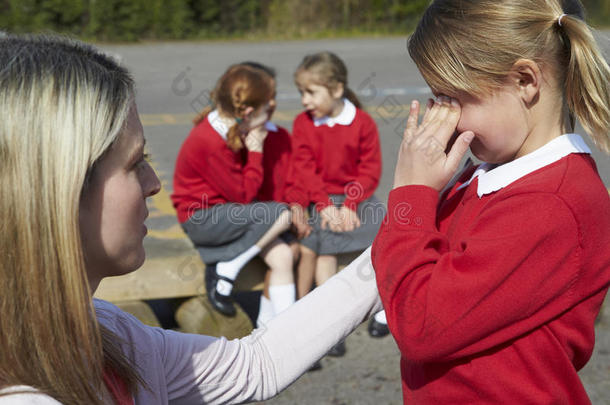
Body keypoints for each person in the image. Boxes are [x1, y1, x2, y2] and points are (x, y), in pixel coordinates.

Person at [0, 34, 383, 404]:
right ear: (57, 190)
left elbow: (257, 363)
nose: (154, 184)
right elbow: (243, 195)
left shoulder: (112, 334)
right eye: (136, 164)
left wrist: (398, 240)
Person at [371, 0, 610, 403]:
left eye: (452, 98)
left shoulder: (550, 204)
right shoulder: (484, 175)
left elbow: (420, 325)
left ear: (525, 81)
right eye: (436, 98)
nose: (442, 116)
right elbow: (403, 263)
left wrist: (411, 192)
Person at [171, 64, 297, 319]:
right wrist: (256, 150)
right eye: (267, 105)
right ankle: (229, 264)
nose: (272, 107)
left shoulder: (228, 126)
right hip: (203, 219)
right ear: (248, 112)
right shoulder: (211, 140)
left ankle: (282, 332)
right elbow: (243, 196)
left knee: (282, 256)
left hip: (225, 216)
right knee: (282, 214)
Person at [291, 51, 389, 353]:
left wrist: (350, 204)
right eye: (301, 92)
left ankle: (386, 308)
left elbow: (370, 168)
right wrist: (325, 207)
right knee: (326, 248)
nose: (305, 100)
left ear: (335, 90)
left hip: (355, 197)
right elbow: (305, 170)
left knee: (389, 236)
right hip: (321, 198)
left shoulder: (362, 123)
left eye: (311, 92)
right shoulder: (303, 124)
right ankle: (333, 325)